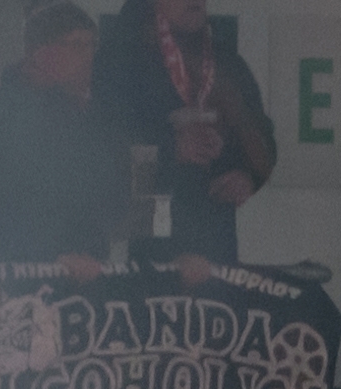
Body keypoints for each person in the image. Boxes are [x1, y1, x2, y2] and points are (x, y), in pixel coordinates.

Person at [98, 0, 274, 257]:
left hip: (214, 223)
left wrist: (248, 176)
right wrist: (171, 146)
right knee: (158, 290)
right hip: (148, 217)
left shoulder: (225, 60)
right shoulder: (122, 58)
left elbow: (261, 134)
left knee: (214, 295)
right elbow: (102, 139)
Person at [0, 3, 130, 258]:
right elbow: (15, 198)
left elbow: (113, 190)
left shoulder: (100, 110)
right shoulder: (9, 107)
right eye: (76, 45)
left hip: (89, 266)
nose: (88, 56)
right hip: (26, 268)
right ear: (42, 52)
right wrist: (59, 254)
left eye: (91, 45)